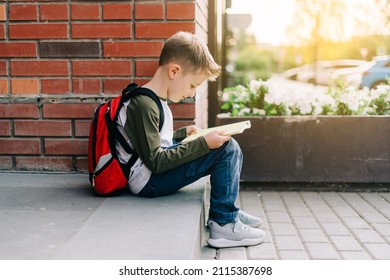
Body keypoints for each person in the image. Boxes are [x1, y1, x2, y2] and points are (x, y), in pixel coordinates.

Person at [116, 31, 265, 248]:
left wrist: (182, 135)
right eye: (193, 85)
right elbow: (156, 162)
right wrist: (203, 143)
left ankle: (226, 208)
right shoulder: (144, 104)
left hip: (149, 173)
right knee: (226, 148)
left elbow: (149, 141)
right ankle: (224, 223)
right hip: (148, 181)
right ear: (174, 71)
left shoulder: (153, 100)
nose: (192, 93)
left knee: (223, 142)